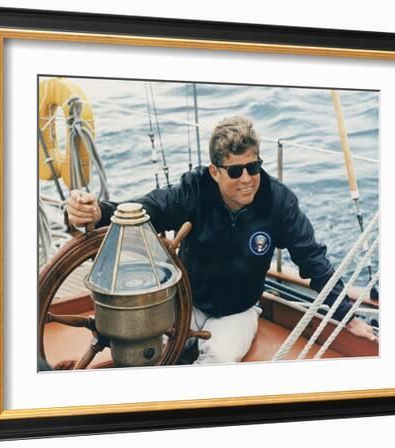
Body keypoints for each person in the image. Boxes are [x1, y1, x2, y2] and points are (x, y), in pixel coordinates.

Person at [67, 116, 376, 364]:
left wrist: (345, 317)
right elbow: (148, 209)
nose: (247, 179)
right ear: (214, 171)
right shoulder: (194, 190)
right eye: (235, 170)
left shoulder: (278, 202)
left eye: (253, 167)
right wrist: (96, 212)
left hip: (237, 311)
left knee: (218, 361)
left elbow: (312, 258)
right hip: (186, 303)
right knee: (144, 351)